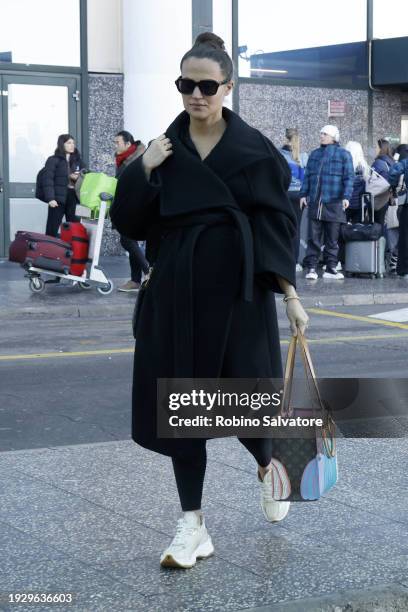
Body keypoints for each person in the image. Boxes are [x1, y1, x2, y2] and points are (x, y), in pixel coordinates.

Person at [110, 32, 309, 569]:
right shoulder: (163, 149)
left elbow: (276, 223)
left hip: (240, 290)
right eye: (185, 85)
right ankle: (192, 525)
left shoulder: (255, 150)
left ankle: (271, 465)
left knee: (246, 400)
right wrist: (142, 169)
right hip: (177, 288)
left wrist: (289, 294)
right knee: (183, 409)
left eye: (206, 86)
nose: (195, 95)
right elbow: (130, 221)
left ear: (227, 86)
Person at [300, 125, 354, 280]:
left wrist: (346, 197)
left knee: (332, 238)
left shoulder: (344, 154)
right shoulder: (315, 154)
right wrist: (303, 194)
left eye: (325, 133)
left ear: (334, 137)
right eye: (321, 133)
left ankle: (331, 268)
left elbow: (349, 178)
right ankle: (311, 267)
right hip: (316, 202)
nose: (321, 136)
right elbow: (308, 175)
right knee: (314, 238)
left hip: (335, 202)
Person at [113, 131, 147, 292]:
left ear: (128, 144)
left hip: (137, 206)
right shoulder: (124, 159)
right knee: (130, 240)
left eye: (117, 142)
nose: (115, 145)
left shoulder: (136, 159)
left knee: (127, 240)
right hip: (128, 205)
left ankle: (148, 272)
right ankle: (135, 280)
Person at [43, 134, 85, 237]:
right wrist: (50, 198)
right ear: (62, 144)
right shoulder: (53, 160)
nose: (72, 145)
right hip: (57, 198)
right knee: (52, 228)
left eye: (73, 143)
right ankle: (50, 251)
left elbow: (86, 175)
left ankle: (73, 251)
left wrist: (78, 177)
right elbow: (48, 180)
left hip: (73, 197)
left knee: (74, 228)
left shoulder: (78, 160)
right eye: (69, 143)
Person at [280, 128, 308, 270]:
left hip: (284, 195)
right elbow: (306, 179)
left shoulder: (279, 154)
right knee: (295, 228)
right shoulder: (303, 156)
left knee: (283, 227)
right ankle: (295, 262)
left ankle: (282, 259)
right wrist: (304, 195)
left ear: (285, 139)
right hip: (299, 196)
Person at [388, 146, 408, 279]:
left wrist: (394, 186)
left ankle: (404, 270)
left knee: (405, 237)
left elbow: (394, 172)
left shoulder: (405, 161)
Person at [344, 141, 370, 224]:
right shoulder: (364, 166)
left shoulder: (346, 166)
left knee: (342, 229)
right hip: (360, 204)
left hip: (346, 203)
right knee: (356, 230)